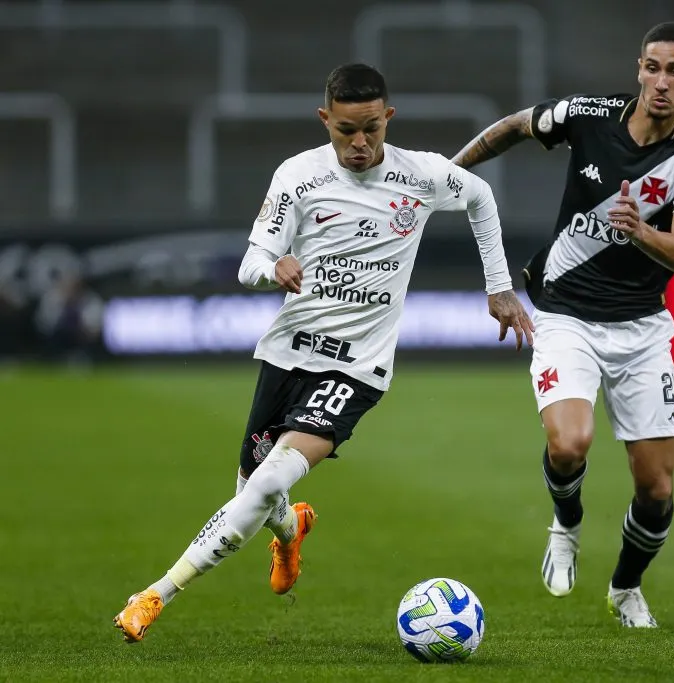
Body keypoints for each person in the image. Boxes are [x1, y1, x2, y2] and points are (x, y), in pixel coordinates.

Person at [113, 63, 534, 642]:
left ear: (388, 118)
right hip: (288, 354)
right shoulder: (298, 176)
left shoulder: (421, 175)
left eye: (371, 129)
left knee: (265, 484)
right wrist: (274, 267)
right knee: (254, 492)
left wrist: (499, 286)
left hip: (357, 367)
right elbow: (251, 262)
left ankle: (154, 595)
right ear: (324, 120)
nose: (359, 143)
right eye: (345, 130)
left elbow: (480, 197)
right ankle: (290, 531)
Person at [451, 21, 674, 628]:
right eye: (652, 67)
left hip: (642, 329)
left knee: (656, 491)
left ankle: (625, 587)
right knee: (570, 443)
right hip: (564, 314)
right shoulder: (590, 114)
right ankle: (566, 523)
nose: (661, 82)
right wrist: (448, 174)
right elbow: (515, 126)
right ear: (639, 69)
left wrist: (639, 230)